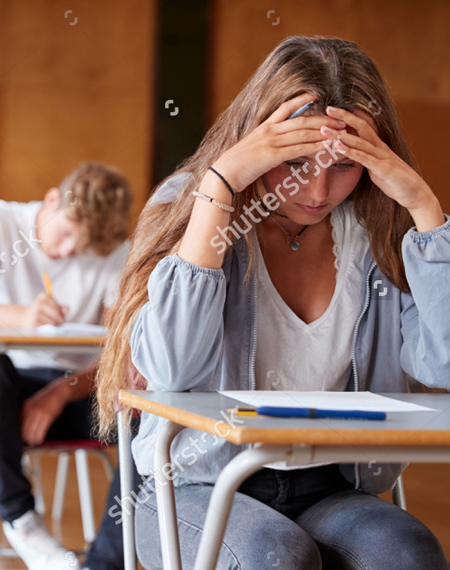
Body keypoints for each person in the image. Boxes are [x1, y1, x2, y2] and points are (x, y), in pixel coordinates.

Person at [96, 36, 450, 569]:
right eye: (296, 162)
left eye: (344, 166)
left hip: (332, 484)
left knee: (409, 553)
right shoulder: (192, 205)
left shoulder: (382, 229)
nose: (319, 189)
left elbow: (443, 364)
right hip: (197, 483)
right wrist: (220, 187)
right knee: (276, 556)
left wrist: (425, 208)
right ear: (256, 141)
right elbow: (171, 369)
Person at [0, 161, 135, 570]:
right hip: (9, 387)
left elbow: (120, 353)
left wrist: (59, 392)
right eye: (64, 234)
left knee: (147, 415)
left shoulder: (117, 250)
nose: (66, 252)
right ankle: (21, 520)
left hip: (79, 389)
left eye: (83, 247)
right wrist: (21, 317)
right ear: (53, 199)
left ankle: (104, 565)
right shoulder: (5, 222)